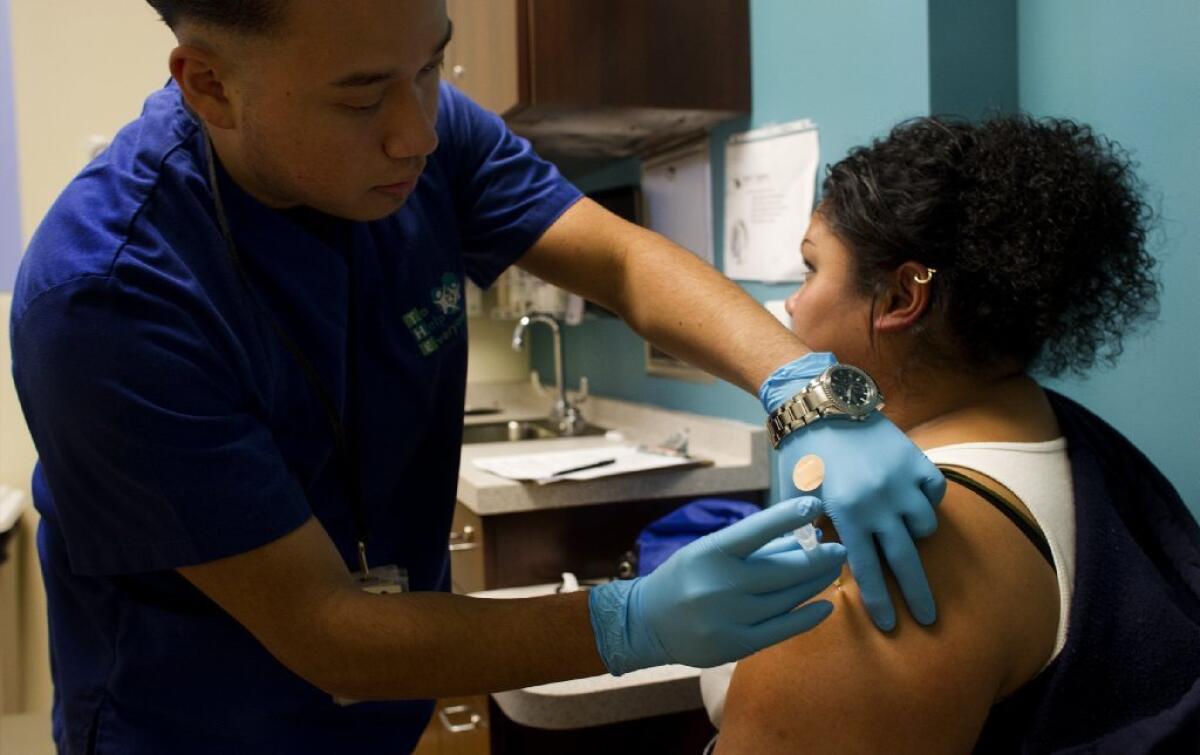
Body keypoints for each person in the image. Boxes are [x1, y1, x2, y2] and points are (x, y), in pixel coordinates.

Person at [8, 1, 949, 752]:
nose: (416, 133)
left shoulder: (423, 122)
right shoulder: (108, 298)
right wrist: (633, 621)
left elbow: (620, 262)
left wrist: (809, 388)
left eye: (431, 64)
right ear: (209, 84)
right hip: (197, 723)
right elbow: (330, 631)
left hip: (387, 708)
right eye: (363, 96)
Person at [701, 115, 1200, 753]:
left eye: (809, 269)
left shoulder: (889, 563)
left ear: (904, 295)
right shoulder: (1057, 434)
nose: (793, 306)